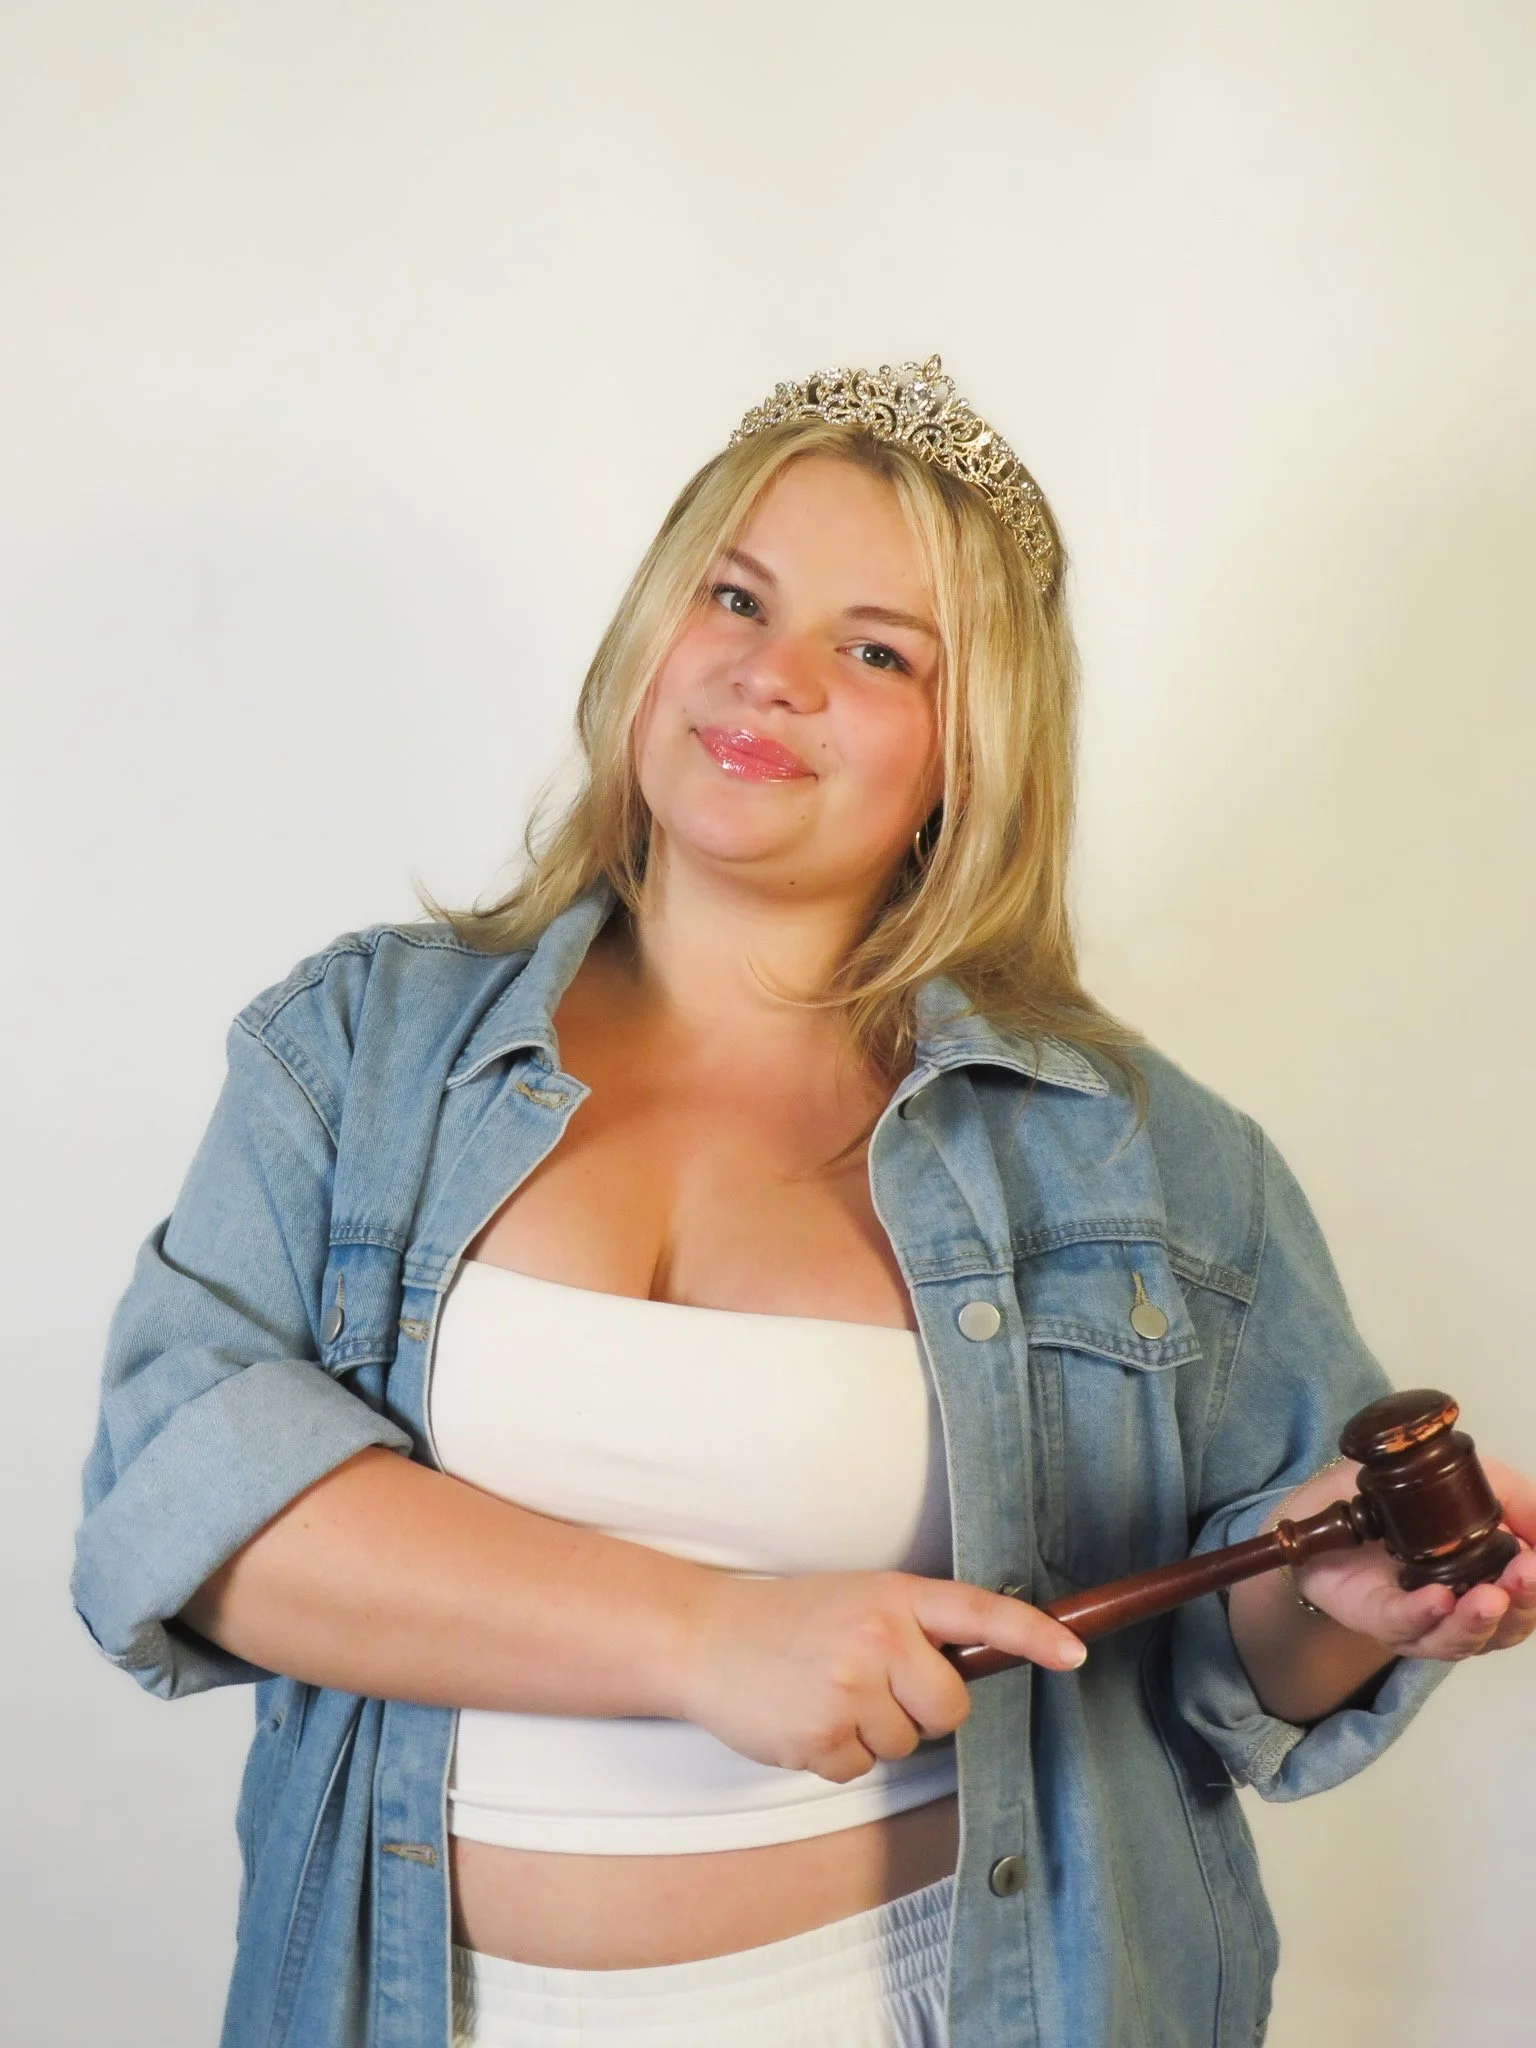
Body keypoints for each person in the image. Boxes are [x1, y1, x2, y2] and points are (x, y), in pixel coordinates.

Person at [74, 356, 1536, 2048]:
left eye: (877, 651)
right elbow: (177, 1507)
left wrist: (1338, 1596)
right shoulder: (360, 1045)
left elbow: (1234, 1673)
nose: (771, 675)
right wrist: (702, 1638)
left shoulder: (1141, 1154)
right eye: (737, 598)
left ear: (968, 753)